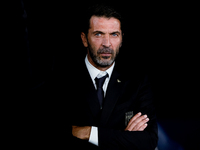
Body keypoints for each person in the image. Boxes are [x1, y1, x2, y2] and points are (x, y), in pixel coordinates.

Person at [67, 4, 158, 150]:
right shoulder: (61, 80)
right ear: (84, 39)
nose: (107, 44)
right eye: (98, 34)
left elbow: (149, 141)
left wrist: (89, 132)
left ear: (121, 39)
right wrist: (123, 137)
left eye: (114, 34)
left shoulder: (137, 81)